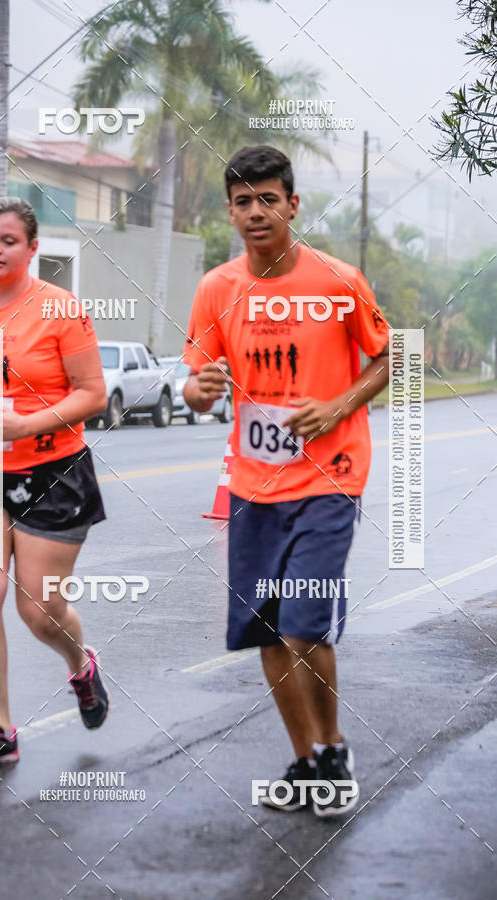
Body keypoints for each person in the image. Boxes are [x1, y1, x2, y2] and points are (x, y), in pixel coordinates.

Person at [183, 146, 390, 817]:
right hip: (254, 486)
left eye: (268, 199)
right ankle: (305, 762)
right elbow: (195, 385)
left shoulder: (337, 281)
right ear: (230, 212)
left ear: (293, 205)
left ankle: (333, 749)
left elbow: (393, 357)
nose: (256, 212)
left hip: (330, 478)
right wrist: (200, 390)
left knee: (304, 626)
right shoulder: (218, 289)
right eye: (243, 201)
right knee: (267, 633)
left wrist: (337, 406)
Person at [0, 197, 109, 768]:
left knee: (40, 611)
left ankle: (80, 664)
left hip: (52, 474)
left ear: (32, 249)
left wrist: (27, 424)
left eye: (8, 240)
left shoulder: (60, 309)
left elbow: (93, 394)